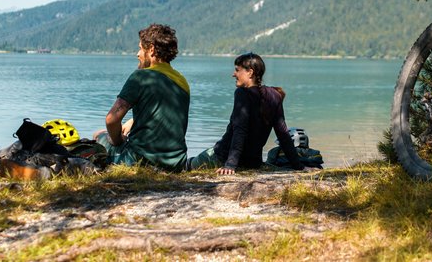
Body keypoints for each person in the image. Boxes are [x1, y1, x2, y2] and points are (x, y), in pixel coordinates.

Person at [94, 23, 190, 171]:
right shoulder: (182, 81)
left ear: (151, 49)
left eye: (140, 48)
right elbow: (163, 112)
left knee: (99, 135)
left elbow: (111, 119)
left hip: (140, 161)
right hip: (176, 163)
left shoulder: (141, 77)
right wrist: (133, 120)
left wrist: (118, 140)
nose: (137, 54)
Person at [189, 52, 303, 174]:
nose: (233, 74)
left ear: (250, 72)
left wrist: (230, 165)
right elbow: (283, 134)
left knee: (188, 164)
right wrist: (298, 166)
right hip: (253, 163)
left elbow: (240, 130)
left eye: (237, 70)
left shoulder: (242, 93)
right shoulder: (274, 95)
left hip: (221, 156)